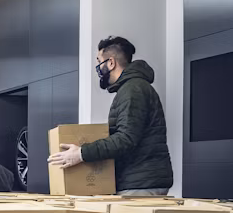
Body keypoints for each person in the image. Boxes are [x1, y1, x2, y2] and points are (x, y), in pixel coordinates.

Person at [47, 36, 173, 196]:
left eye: (99, 62)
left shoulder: (133, 90)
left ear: (111, 63)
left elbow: (126, 139)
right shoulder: (132, 88)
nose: (98, 68)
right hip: (139, 181)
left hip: (141, 184)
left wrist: (81, 154)